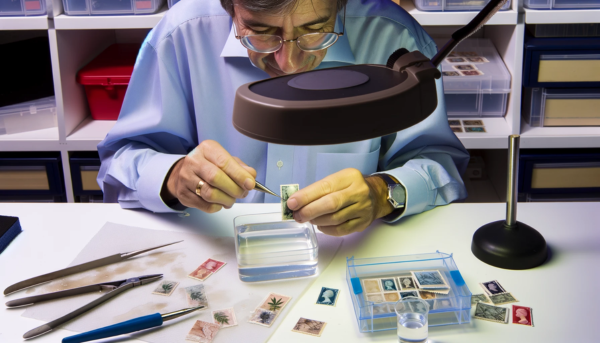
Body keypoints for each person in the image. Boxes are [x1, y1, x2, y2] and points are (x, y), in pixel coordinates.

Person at [97, 0, 469, 237]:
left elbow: (438, 162)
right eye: (260, 32)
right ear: (230, 7)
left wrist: (382, 193)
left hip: (347, 257)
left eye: (315, 29)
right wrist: (174, 177)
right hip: (218, 251)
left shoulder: (393, 35)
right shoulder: (182, 34)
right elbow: (121, 161)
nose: (288, 64)